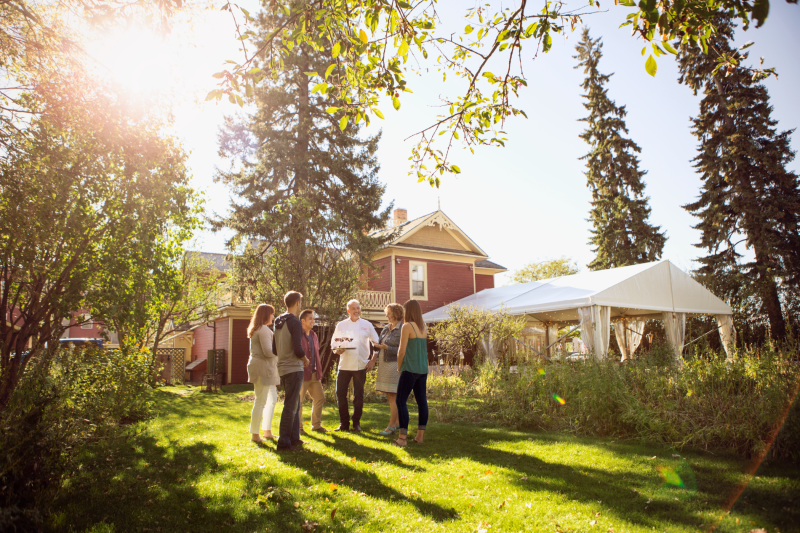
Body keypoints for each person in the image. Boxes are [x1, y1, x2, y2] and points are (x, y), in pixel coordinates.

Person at [331, 299, 379, 432]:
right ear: (348, 311)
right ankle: (344, 423)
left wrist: (373, 360)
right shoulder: (341, 325)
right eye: (353, 309)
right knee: (340, 394)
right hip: (344, 365)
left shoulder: (367, 325)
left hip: (360, 366)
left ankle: (356, 423)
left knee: (358, 395)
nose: (357, 311)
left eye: (358, 308)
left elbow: (376, 343)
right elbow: (334, 344)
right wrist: (337, 350)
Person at [272, 291, 310, 451]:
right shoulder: (294, 321)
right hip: (294, 368)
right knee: (290, 404)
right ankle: (284, 442)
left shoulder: (278, 321)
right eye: (300, 302)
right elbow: (297, 348)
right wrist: (305, 359)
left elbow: (274, 349)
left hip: (282, 367)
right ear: (297, 303)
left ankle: (294, 438)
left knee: (295, 402)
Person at [394, 299, 429, 447]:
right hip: (422, 370)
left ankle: (402, 439)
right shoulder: (424, 327)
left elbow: (401, 351)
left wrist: (399, 367)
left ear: (408, 311)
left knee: (400, 401)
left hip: (409, 369)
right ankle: (419, 437)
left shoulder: (407, 326)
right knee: (422, 402)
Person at [246, 303, 278, 443]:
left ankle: (267, 431)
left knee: (272, 399)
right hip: (262, 368)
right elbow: (268, 352)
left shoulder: (259, 329)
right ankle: (255, 435)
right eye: (271, 313)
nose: (273, 316)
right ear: (265, 315)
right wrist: (282, 354)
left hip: (266, 368)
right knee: (261, 401)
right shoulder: (263, 329)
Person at [372, 303, 404, 436]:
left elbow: (404, 350)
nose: (386, 315)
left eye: (388, 313)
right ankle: (396, 423)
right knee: (390, 395)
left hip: (394, 365)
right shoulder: (386, 328)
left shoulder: (403, 328)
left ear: (396, 313)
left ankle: (391, 426)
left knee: (394, 395)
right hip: (384, 364)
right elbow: (381, 343)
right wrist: (377, 346)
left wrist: (387, 348)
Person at [299, 309, 326, 434]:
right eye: (310, 318)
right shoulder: (298, 335)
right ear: (302, 321)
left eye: (313, 318)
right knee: (299, 401)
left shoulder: (314, 335)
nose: (313, 321)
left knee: (320, 398)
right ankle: (298, 428)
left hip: (314, 373)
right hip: (302, 373)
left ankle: (316, 425)